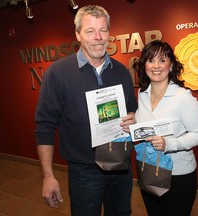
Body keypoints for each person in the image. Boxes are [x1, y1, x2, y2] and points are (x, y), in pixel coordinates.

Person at [35, 5, 137, 216]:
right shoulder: (58, 73)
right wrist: (48, 176)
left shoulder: (121, 71)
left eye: (103, 30)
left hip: (121, 166)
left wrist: (132, 120)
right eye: (90, 31)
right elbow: (44, 127)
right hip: (84, 172)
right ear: (78, 34)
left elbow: (132, 112)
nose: (98, 37)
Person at [132, 40, 198, 216]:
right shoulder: (142, 94)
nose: (156, 66)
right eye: (151, 60)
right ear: (144, 65)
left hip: (178, 175)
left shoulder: (183, 97)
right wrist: (132, 125)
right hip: (149, 169)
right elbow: (146, 125)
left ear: (171, 65)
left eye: (162, 60)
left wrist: (169, 144)